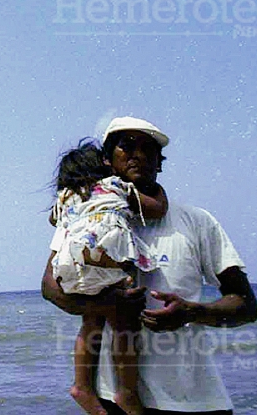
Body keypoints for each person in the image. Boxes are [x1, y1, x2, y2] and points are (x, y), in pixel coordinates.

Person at [42, 117, 257, 415]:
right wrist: (103, 303)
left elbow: (247, 306)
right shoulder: (85, 216)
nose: (139, 155)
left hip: (195, 402)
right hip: (111, 400)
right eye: (127, 146)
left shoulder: (197, 222)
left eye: (149, 149)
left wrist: (192, 312)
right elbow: (50, 287)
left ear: (160, 163)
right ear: (107, 160)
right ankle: (113, 391)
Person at [49, 138, 169, 415]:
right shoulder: (116, 186)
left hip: (70, 266)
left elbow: (54, 221)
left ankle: (82, 386)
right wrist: (159, 192)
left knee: (91, 320)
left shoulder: (66, 196)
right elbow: (156, 209)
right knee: (125, 323)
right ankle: (126, 392)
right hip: (105, 261)